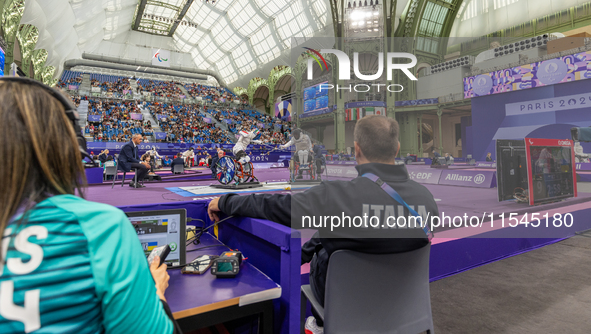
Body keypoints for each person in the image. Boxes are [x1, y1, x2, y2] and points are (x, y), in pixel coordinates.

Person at [208, 116, 439, 333]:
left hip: (345, 301)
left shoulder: (336, 197)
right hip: (405, 306)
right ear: (397, 149)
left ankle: (317, 324)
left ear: (357, 149)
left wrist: (226, 201)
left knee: (331, 237)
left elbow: (274, 206)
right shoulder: (426, 199)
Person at [0, 78, 181, 333]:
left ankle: (138, 182)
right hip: (124, 167)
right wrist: (156, 292)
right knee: (142, 167)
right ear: (71, 145)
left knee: (145, 166)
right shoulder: (104, 227)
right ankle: (136, 182)